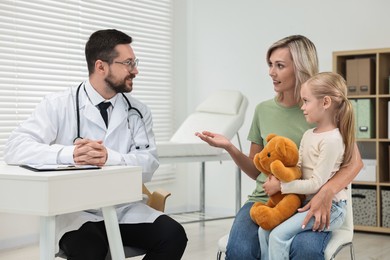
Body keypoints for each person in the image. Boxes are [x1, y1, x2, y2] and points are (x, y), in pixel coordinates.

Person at [4, 29, 187, 260]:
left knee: (173, 235)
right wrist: (71, 154)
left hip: (123, 209)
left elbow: (149, 164)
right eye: (128, 63)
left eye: (135, 62)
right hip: (77, 213)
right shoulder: (58, 104)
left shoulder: (138, 111)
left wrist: (108, 157)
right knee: (89, 249)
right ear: (101, 67)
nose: (135, 70)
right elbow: (15, 147)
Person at [196, 35, 363, 260]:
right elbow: (257, 170)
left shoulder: (323, 113)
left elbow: (355, 163)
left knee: (305, 251)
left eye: (280, 66)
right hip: (265, 199)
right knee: (241, 251)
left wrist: (326, 192)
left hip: (307, 202)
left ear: (301, 69)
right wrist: (230, 148)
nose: (271, 72)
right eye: (270, 65)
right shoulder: (263, 110)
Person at [258, 72, 355, 259]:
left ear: (325, 102)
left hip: (331, 209)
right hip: (306, 203)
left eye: (306, 101)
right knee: (265, 231)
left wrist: (281, 186)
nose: (302, 107)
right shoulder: (309, 134)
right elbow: (299, 169)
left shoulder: (332, 140)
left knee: (278, 236)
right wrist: (279, 175)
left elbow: (316, 183)